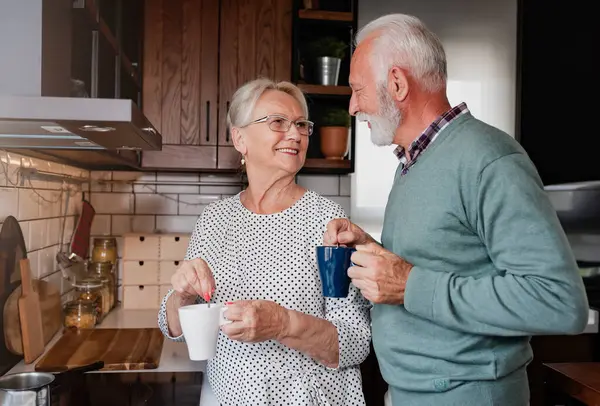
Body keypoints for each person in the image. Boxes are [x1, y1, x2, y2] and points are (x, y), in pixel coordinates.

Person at [324, 13, 589, 406]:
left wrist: (410, 284)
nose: (352, 106)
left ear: (396, 83)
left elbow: (559, 302)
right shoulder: (412, 163)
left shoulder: (489, 160)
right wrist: (372, 249)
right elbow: (444, 258)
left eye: (357, 89)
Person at [158, 78, 371, 406]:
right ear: (239, 138)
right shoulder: (214, 220)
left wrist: (283, 324)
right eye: (277, 122)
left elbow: (355, 342)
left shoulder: (327, 222)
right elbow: (172, 325)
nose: (295, 134)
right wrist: (182, 296)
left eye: (301, 124)